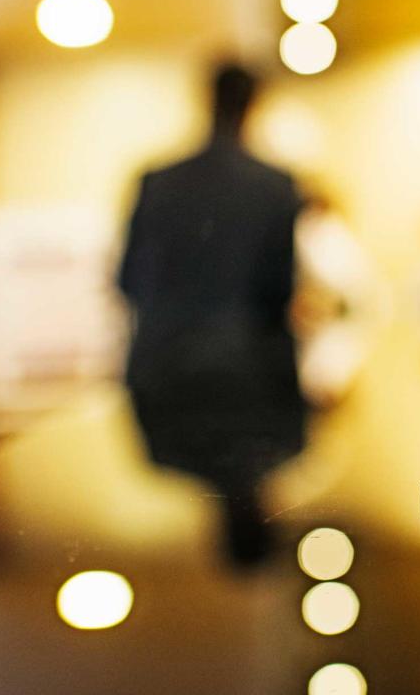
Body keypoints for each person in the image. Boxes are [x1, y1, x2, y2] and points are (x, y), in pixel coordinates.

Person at [118, 63, 305, 566]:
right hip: (252, 375)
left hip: (160, 367)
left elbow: (127, 280)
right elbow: (280, 292)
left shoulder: (157, 181)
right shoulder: (276, 185)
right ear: (254, 105)